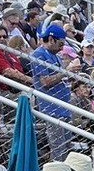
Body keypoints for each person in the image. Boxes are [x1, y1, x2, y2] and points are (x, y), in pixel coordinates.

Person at [30, 24, 73, 159]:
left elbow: (60, 76)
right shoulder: (38, 55)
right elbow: (45, 81)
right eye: (60, 44)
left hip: (63, 107)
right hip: (52, 108)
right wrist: (66, 71)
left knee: (66, 147)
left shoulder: (55, 56)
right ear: (51, 39)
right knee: (58, 148)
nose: (61, 48)